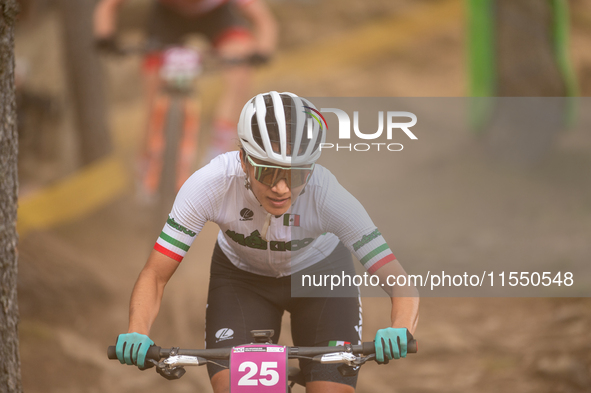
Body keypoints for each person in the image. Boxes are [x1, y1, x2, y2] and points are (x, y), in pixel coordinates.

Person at [113, 91, 419, 393]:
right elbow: (154, 274)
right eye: (268, 172)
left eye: (296, 175)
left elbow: (401, 284)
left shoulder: (328, 195)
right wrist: (137, 331)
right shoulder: (210, 184)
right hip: (242, 282)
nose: (281, 188)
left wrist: (399, 328)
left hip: (320, 280)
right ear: (244, 160)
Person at [93, 0, 278, 193]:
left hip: (217, 18)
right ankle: (147, 164)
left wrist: (263, 49)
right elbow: (109, 6)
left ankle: (220, 149)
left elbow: (264, 20)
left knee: (240, 62)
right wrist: (104, 34)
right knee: (153, 92)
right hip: (167, 19)